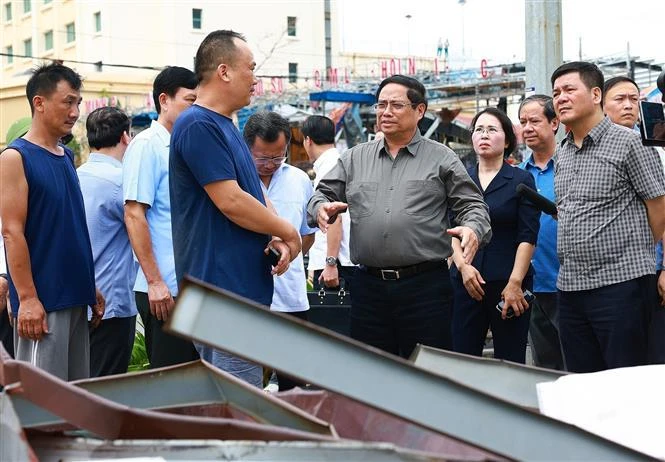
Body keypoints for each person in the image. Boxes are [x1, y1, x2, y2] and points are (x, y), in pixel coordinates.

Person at [307, 75, 491, 359]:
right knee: (372, 372)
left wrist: (472, 229)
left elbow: (472, 205)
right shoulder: (355, 158)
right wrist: (320, 208)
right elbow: (321, 194)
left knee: (429, 373)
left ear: (420, 111)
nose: (385, 112)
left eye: (395, 105)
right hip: (368, 288)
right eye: (381, 105)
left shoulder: (441, 158)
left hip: (425, 288)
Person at [169, 30, 301, 387]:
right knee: (237, 400)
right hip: (221, 291)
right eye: (251, 69)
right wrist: (288, 231)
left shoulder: (227, 124)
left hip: (239, 286)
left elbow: (252, 192)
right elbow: (229, 200)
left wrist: (274, 230)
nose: (255, 80)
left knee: (242, 393)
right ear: (224, 71)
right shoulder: (198, 124)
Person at [551, 61, 665, 372]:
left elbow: (660, 208)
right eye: (556, 92)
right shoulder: (561, 152)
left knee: (627, 383)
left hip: (621, 286)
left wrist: (634, 252)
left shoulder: (630, 142)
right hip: (571, 288)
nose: (560, 98)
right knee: (583, 383)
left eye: (569, 90)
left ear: (596, 94)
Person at [0, 63, 104, 381]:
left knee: (73, 403)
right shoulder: (15, 157)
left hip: (74, 295)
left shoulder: (66, 156)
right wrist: (28, 298)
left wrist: (90, 285)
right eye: (68, 101)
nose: (75, 112)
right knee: (41, 404)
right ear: (39, 103)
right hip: (43, 305)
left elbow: (67, 228)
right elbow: (11, 231)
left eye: (78, 103)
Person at [123, 66, 199, 369]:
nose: (196, 109)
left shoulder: (186, 144)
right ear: (164, 100)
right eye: (190, 100)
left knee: (194, 381)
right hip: (164, 290)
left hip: (190, 286)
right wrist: (155, 282)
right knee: (172, 382)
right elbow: (134, 214)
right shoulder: (147, 146)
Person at [450, 108, 540, 363]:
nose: (484, 135)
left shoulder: (520, 180)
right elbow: (450, 230)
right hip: (466, 281)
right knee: (461, 359)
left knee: (510, 361)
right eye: (479, 130)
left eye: (492, 130)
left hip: (508, 284)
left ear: (508, 140)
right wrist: (463, 268)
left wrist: (515, 283)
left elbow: (528, 235)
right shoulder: (460, 179)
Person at [243, 111, 317, 390]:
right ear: (246, 148)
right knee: (245, 378)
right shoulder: (232, 182)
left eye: (278, 157)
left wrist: (290, 254)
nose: (270, 165)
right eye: (262, 158)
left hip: (290, 297)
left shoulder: (298, 180)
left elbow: (306, 235)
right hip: (245, 296)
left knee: (293, 383)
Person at [78, 107, 138, 377]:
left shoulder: (73, 176)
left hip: (79, 299)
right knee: (106, 388)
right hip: (113, 303)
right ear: (126, 136)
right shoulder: (123, 183)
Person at [518, 95, 564, 370]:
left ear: (555, 122)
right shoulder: (520, 176)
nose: (527, 128)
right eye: (523, 122)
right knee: (547, 370)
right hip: (535, 287)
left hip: (572, 286)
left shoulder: (574, 167)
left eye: (535, 121)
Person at [301, 115, 356, 291]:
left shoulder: (329, 167)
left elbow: (334, 218)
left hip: (335, 263)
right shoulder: (338, 161)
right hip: (342, 260)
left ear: (308, 140)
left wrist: (330, 263)